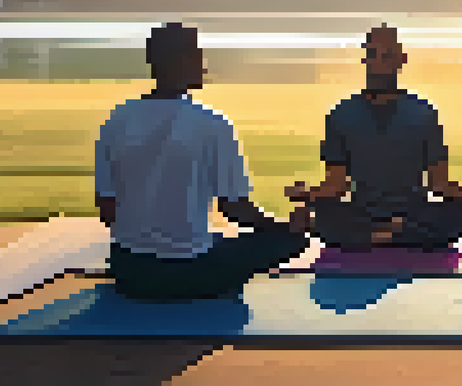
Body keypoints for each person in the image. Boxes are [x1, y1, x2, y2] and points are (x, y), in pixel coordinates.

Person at [95, 22, 310, 301]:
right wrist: (286, 228)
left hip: (128, 272)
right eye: (198, 54)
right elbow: (235, 209)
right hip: (191, 273)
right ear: (184, 60)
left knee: (214, 241)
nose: (203, 64)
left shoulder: (117, 119)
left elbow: (107, 210)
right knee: (292, 241)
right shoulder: (213, 123)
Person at [286, 24, 462, 251]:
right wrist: (307, 195)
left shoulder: (424, 113)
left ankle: (376, 236)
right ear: (364, 60)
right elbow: (336, 185)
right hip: (363, 213)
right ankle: (396, 234)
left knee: (458, 213)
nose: (379, 63)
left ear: (400, 60)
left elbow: (439, 184)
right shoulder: (341, 114)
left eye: (387, 55)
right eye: (373, 55)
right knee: (326, 213)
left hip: (413, 213)